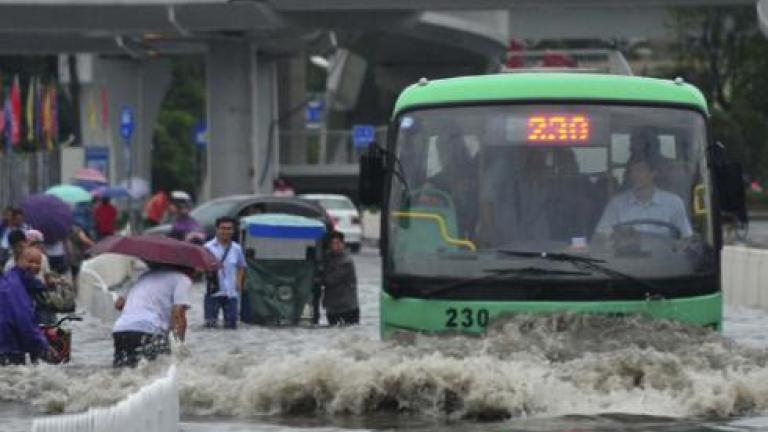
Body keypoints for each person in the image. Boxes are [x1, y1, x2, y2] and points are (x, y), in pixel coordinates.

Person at [112, 263, 194, 368]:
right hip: (148, 330)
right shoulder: (182, 279)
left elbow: (119, 304)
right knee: (158, 372)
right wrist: (179, 346)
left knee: (122, 371)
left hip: (120, 329)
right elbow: (178, 314)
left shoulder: (142, 277)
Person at [594, 157, 693, 239]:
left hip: (666, 260)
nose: (635, 175)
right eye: (631, 171)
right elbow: (601, 235)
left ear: (653, 173)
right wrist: (616, 235)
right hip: (626, 260)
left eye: (640, 170)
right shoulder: (616, 204)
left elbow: (686, 237)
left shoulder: (674, 202)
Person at [0, 247, 59, 365]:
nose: (34, 266)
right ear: (17, 261)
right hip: (7, 345)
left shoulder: (15, 280)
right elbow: (24, 321)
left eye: (38, 263)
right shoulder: (15, 287)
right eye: (30, 261)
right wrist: (44, 346)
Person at [204, 217, 245, 329]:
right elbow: (200, 268)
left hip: (231, 293)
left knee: (232, 326)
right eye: (222, 228)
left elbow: (241, 266)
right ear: (217, 229)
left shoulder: (237, 248)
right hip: (213, 292)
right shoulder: (207, 247)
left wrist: (239, 282)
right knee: (210, 327)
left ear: (233, 230)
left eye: (229, 228)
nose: (226, 231)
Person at [322, 231, 359, 326]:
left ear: (343, 244)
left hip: (347, 308)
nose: (335, 246)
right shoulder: (328, 257)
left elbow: (330, 280)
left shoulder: (346, 262)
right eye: (332, 244)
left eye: (337, 243)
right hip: (332, 308)